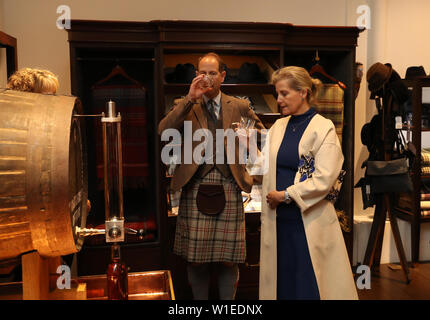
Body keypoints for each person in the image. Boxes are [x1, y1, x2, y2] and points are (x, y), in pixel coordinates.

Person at [158, 52, 265, 300]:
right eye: (201, 72)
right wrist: (188, 99)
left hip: (229, 185)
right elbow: (163, 131)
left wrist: (247, 138)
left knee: (229, 260)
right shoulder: (184, 104)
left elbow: (261, 136)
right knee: (197, 261)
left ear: (223, 76)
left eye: (212, 73)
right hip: (195, 186)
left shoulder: (238, 105)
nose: (206, 77)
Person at [258, 66, 358, 300]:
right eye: (277, 94)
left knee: (308, 285)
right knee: (283, 284)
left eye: (284, 94)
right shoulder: (279, 127)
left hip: (307, 223)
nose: (279, 100)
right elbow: (264, 167)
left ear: (303, 92)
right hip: (279, 222)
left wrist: (285, 195)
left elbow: (325, 178)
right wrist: (246, 148)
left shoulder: (323, 128)